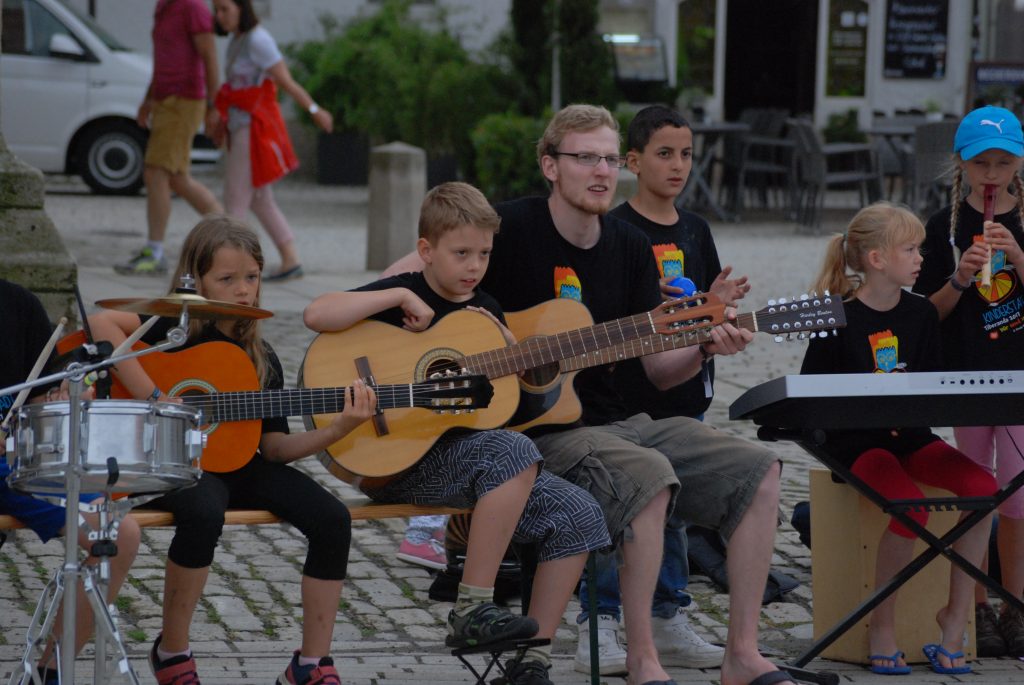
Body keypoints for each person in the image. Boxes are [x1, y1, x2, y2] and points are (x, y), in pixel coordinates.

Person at [384, 105, 789, 685]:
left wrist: (703, 347)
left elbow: (657, 371)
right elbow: (394, 279)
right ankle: (644, 659)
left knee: (761, 468)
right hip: (536, 436)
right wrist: (398, 307)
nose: (601, 172)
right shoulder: (510, 228)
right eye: (584, 158)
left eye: (607, 159)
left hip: (625, 421)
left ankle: (742, 654)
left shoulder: (628, 245)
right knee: (649, 475)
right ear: (550, 166)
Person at [303, 181, 611, 685]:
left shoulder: (484, 311)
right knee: (515, 451)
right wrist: (399, 290)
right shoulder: (403, 295)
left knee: (579, 512)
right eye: (461, 253)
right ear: (426, 251)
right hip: (396, 458)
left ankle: (531, 662)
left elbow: (510, 410)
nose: (474, 266)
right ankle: (471, 609)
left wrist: (517, 361)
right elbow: (315, 314)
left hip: (471, 467)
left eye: (484, 254)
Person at [92, 217, 356, 685]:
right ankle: (172, 652)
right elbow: (101, 323)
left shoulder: (261, 355)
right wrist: (156, 398)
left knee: (333, 518)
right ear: (197, 280)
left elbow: (274, 448)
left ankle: (311, 664)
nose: (242, 291)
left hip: (240, 465)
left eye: (251, 278)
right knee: (204, 508)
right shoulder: (172, 326)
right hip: (169, 461)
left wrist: (339, 427)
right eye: (227, 279)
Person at [572, 104, 753, 675]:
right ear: (632, 161)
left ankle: (667, 614)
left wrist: (717, 306)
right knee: (616, 511)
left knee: (674, 514)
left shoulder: (696, 229)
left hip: (684, 393)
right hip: (625, 398)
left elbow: (703, 309)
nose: (678, 166)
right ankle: (597, 620)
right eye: (664, 154)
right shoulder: (619, 230)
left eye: (687, 155)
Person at [802, 202, 998, 674]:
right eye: (910, 249)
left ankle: (955, 617)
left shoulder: (921, 314)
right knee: (911, 507)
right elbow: (810, 398)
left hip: (910, 438)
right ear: (876, 259)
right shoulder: (837, 315)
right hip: (857, 445)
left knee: (984, 489)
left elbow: (931, 390)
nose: (920, 258)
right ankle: (882, 624)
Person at [913, 104, 1024, 659]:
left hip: (1021, 377)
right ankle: (975, 603)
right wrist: (959, 276)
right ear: (961, 162)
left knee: (1021, 493)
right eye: (981, 163)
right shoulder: (944, 226)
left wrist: (1017, 256)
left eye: (1003, 164)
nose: (992, 175)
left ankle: (1016, 605)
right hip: (967, 373)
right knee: (977, 485)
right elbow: (926, 315)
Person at [0, 278, 142, 685]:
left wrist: (61, 402)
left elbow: (40, 400)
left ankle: (50, 670)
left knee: (119, 532)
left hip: (14, 466)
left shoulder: (19, 305)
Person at [211, 0, 334, 282]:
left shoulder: (258, 40)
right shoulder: (238, 40)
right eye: (216, 10)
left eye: (225, 9)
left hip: (252, 129)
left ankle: (233, 267)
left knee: (236, 198)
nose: (220, 16)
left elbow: (285, 81)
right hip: (241, 125)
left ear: (242, 8)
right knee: (260, 199)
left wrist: (315, 110)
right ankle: (289, 258)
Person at [115, 0, 223, 276]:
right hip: (166, 99)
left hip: (183, 100)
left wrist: (214, 105)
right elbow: (164, 57)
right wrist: (149, 99)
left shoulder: (192, 6)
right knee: (176, 177)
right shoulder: (164, 5)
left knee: (156, 172)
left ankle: (155, 251)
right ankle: (231, 235)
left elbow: (209, 54)